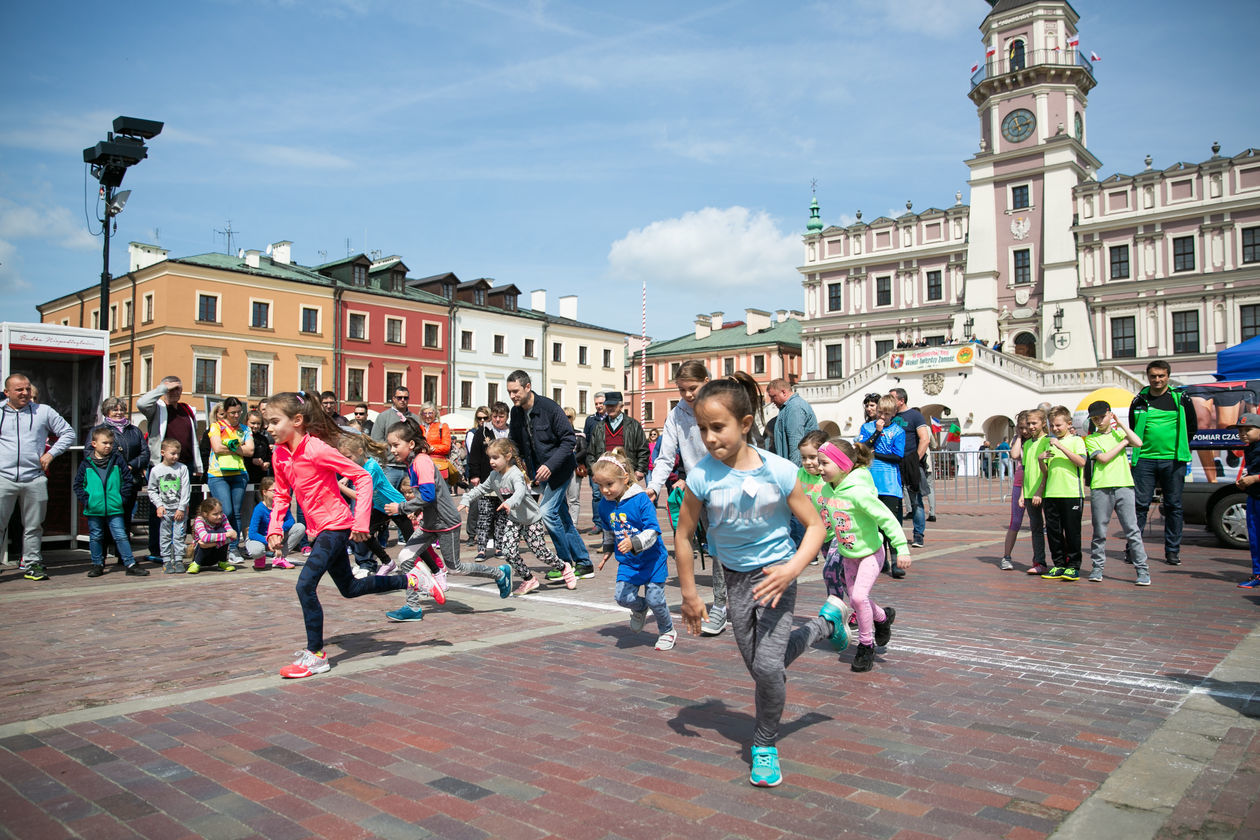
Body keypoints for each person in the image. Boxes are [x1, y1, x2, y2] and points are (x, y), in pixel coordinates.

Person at [673, 378, 843, 788]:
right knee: (763, 667)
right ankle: (824, 626)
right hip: (733, 580)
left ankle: (764, 745)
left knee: (767, 667)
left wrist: (793, 569)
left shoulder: (780, 471)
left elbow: (816, 526)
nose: (710, 438)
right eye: (702, 429)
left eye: (718, 427)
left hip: (776, 575)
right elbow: (682, 535)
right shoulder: (702, 476)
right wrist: (690, 594)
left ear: (745, 423)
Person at [263, 392, 419, 678]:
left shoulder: (317, 449)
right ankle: (410, 580)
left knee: (304, 585)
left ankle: (316, 655)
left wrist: (360, 522)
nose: (269, 428)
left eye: (274, 421)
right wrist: (274, 529)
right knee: (349, 588)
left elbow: (361, 477)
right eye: (267, 423)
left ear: (297, 421)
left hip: (335, 526)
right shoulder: (280, 454)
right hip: (316, 531)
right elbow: (282, 494)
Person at [384, 420, 508, 622]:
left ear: (411, 445)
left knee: (454, 567)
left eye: (396, 445)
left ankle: (499, 574)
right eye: (390, 445)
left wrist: (402, 508)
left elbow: (428, 495)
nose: (392, 450)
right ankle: (413, 607)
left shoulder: (421, 461)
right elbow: (426, 497)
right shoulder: (413, 461)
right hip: (430, 524)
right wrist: (418, 511)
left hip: (446, 523)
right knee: (405, 557)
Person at [645, 361, 729, 636]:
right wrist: (654, 487)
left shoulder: (722, 405)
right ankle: (720, 605)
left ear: (706, 380)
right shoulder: (677, 415)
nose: (688, 395)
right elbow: (665, 456)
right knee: (713, 547)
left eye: (692, 388)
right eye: (682, 390)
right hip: (698, 486)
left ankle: (729, 601)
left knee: (732, 547)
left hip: (728, 484)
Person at [815, 439, 910, 672]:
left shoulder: (858, 493)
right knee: (859, 599)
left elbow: (886, 519)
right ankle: (882, 617)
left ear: (842, 464)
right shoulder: (827, 490)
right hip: (849, 555)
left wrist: (902, 548)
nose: (819, 468)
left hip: (870, 553)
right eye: (818, 463)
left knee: (858, 598)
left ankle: (866, 646)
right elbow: (827, 522)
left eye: (824, 463)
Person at [506, 370, 593, 578]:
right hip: (540, 473)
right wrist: (511, 464)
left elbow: (569, 440)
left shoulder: (549, 408)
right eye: (509, 392)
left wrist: (550, 465)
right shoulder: (516, 412)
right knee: (563, 518)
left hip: (560, 469)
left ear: (528, 387)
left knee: (547, 513)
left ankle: (564, 563)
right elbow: (514, 443)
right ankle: (584, 563)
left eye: (516, 391)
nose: (512, 396)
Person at [458, 438, 566, 596]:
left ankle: (564, 568)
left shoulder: (515, 474)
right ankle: (528, 579)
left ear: (507, 456)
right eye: (490, 458)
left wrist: (510, 502)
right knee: (508, 551)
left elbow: (520, 492)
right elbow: (481, 489)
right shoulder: (494, 476)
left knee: (540, 552)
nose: (491, 462)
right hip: (514, 519)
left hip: (531, 519)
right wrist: (466, 499)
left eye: (495, 458)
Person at [593, 448, 675, 651]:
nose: (605, 490)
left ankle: (667, 630)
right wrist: (608, 549)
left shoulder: (640, 500)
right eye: (600, 485)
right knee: (622, 597)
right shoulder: (605, 505)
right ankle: (640, 608)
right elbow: (608, 529)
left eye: (609, 484)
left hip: (652, 559)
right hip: (629, 562)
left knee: (655, 598)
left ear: (625, 478)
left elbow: (653, 531)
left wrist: (633, 543)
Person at [0, 373, 75, 580]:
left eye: (27, 389)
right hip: (3, 478)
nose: (25, 393)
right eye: (19, 390)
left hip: (34, 477)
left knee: (34, 525)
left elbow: (68, 433)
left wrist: (51, 453)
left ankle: (32, 564)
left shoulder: (43, 411)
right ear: (7, 393)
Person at [1129, 360, 1198, 566]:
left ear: (1168, 376)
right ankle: (1133, 549)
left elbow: (1192, 426)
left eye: (1161, 376)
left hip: (1173, 461)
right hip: (1144, 461)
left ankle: (1172, 551)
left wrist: (1180, 449)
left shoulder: (1180, 398)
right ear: (1147, 377)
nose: (1157, 380)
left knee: (1173, 506)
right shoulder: (1139, 399)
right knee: (1140, 505)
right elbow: (1134, 428)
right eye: (1153, 376)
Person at [1083, 401, 1151, 585]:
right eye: (1094, 418)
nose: (1098, 421)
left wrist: (1120, 425)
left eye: (1101, 417)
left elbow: (1138, 442)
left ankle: (1142, 570)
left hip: (1124, 485)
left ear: (1109, 414)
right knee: (1099, 531)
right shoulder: (1091, 438)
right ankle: (1097, 568)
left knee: (1132, 530)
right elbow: (1103, 458)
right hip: (1101, 487)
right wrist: (1122, 444)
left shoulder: (1119, 432)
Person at [138, 376, 202, 564]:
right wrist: (161, 388)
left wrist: (197, 465)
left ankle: (177, 547)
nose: (176, 393)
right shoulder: (157, 408)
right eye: (172, 389)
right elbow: (141, 403)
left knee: (182, 507)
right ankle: (157, 548)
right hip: (162, 466)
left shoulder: (186, 409)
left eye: (178, 389)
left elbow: (193, 438)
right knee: (159, 508)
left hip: (184, 465)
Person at [74, 427, 148, 578]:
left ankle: (130, 564)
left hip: (115, 507)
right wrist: (88, 501)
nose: (108, 446)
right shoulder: (86, 463)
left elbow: (128, 480)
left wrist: (121, 498)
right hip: (94, 508)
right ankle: (97, 564)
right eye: (104, 443)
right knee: (96, 536)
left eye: (111, 443)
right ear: (94, 443)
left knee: (121, 535)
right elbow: (78, 485)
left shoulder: (117, 460)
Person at [335, 433, 406, 576]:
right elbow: (355, 471)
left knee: (413, 540)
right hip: (381, 507)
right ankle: (388, 563)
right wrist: (345, 478)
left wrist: (339, 486)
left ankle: (436, 568)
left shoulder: (371, 467)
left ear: (360, 452)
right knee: (364, 533)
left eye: (348, 457)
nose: (347, 461)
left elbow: (361, 496)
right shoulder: (362, 464)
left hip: (396, 505)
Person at [1032, 406, 1087, 582]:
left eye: (1058, 425)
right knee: (1054, 532)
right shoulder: (1051, 442)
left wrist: (1061, 447)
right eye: (1052, 426)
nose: (1055, 429)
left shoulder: (1076, 441)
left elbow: (1081, 462)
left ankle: (1073, 566)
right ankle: (1059, 564)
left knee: (1072, 531)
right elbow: (1047, 472)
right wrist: (1041, 461)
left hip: (1071, 493)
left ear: (1068, 423)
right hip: (1051, 493)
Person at [93, 396, 149, 564]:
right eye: (115, 409)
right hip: (108, 482)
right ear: (106, 411)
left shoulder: (134, 430)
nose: (119, 412)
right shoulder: (100, 429)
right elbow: (91, 453)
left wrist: (130, 466)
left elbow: (144, 453)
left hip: (130, 481)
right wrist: (115, 469)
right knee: (104, 520)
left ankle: (122, 556)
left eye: (121, 409)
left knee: (125, 519)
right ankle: (100, 557)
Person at [858, 395, 907, 578]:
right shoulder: (867, 427)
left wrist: (876, 454)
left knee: (891, 523)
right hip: (870, 483)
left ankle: (896, 561)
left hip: (889, 484)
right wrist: (877, 432)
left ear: (894, 414)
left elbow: (897, 456)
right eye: (880, 412)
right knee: (874, 525)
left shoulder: (898, 432)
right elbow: (862, 447)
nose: (882, 417)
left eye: (886, 414)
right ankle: (881, 559)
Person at [583, 391, 650, 522]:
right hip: (605, 475)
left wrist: (640, 470)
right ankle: (606, 532)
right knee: (606, 506)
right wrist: (594, 472)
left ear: (621, 406)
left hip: (626, 475)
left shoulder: (633, 425)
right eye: (608, 406)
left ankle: (629, 533)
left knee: (628, 505)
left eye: (613, 405)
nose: (610, 408)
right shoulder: (599, 427)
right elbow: (591, 452)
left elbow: (643, 449)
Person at [206, 396, 255, 561]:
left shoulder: (244, 429)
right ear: (225, 412)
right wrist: (237, 447)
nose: (236, 415)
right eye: (233, 412)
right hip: (218, 474)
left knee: (236, 512)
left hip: (239, 473)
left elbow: (250, 451)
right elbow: (217, 447)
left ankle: (233, 548)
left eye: (239, 412)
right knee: (224, 511)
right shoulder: (216, 426)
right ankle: (220, 544)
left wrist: (230, 446)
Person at [467, 402, 510, 558]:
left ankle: (499, 548)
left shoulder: (510, 432)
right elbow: (475, 454)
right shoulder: (483, 431)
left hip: (505, 482)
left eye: (501, 416)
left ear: (506, 417)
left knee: (501, 517)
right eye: (495, 416)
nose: (498, 419)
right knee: (484, 516)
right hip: (486, 479)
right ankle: (481, 549)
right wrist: (474, 474)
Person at [889, 388, 930, 547]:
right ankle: (897, 533)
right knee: (895, 501)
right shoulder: (890, 417)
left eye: (893, 398)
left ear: (901, 400)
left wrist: (915, 459)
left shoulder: (914, 415)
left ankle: (918, 534)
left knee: (915, 500)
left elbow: (924, 439)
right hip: (894, 462)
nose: (890, 401)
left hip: (910, 462)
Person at [147, 438, 192, 574]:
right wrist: (159, 505)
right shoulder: (156, 470)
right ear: (162, 452)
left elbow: (185, 488)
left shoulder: (182, 468)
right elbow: (152, 490)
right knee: (165, 535)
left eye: (178, 454)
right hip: (165, 510)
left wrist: (181, 507)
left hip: (179, 510)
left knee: (179, 535)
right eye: (172, 453)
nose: (176, 456)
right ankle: (167, 560)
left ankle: (178, 560)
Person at [1016, 408, 1051, 574]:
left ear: (1043, 423)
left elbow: (1047, 469)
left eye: (1034, 423)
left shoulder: (1047, 441)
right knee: (1036, 529)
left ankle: (1062, 560)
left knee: (1053, 528)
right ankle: (1039, 562)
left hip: (1045, 492)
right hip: (1030, 493)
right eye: (1028, 423)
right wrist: (1023, 493)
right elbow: (1026, 470)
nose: (1030, 427)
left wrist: (1039, 490)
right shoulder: (1028, 444)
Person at [244, 476, 306, 570]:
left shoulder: (281, 505)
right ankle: (260, 558)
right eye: (274, 491)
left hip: (277, 538)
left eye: (279, 490)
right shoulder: (259, 509)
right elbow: (252, 533)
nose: (277, 493)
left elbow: (291, 521)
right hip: (261, 539)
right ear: (264, 492)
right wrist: (270, 541)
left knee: (300, 527)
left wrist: (279, 531)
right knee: (257, 551)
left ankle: (279, 558)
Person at [1232, 412, 1260, 588]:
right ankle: (1257, 574)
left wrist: (1255, 479)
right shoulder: (1249, 447)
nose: (1243, 433)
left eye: (1248, 429)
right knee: (1255, 538)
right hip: (1254, 497)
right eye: (1240, 430)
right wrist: (1245, 481)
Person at [767, 378, 818, 469]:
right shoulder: (789, 407)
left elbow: (795, 443)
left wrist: (794, 473)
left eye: (773, 396)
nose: (771, 401)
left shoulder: (795, 407)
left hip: (796, 470)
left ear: (784, 392)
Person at [579, 392, 607, 535]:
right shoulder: (590, 420)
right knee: (596, 494)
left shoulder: (612, 419)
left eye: (601, 403)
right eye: (596, 403)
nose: (598, 406)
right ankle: (597, 524)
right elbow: (586, 442)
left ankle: (609, 522)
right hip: (594, 463)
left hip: (608, 463)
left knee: (610, 494)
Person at [188, 497, 239, 575]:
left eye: (221, 512)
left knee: (221, 532)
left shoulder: (223, 517)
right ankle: (195, 564)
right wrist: (225, 536)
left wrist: (211, 544)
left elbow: (233, 536)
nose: (219, 516)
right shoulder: (199, 520)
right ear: (205, 514)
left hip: (215, 555)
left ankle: (222, 562)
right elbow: (205, 537)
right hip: (201, 556)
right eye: (215, 514)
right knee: (210, 537)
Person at [463, 406, 491, 543]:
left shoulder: (491, 432)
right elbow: (472, 454)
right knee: (474, 504)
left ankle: (489, 534)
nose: (482, 420)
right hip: (476, 472)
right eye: (479, 418)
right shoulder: (472, 433)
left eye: (485, 418)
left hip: (489, 472)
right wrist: (475, 474)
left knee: (489, 504)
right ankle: (471, 534)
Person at [418, 402, 453, 480]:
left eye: (430, 413)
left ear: (435, 413)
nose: (427, 416)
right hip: (423, 464)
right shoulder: (419, 428)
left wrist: (431, 448)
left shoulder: (442, 426)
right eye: (424, 413)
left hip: (438, 464)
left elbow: (446, 447)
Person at [564, 406, 584, 528]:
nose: (566, 419)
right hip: (560, 469)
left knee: (574, 498)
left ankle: (574, 524)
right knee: (561, 499)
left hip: (574, 469)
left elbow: (585, 450)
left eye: (569, 417)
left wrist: (571, 458)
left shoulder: (579, 434)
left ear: (573, 418)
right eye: (564, 416)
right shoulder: (556, 433)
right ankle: (564, 523)